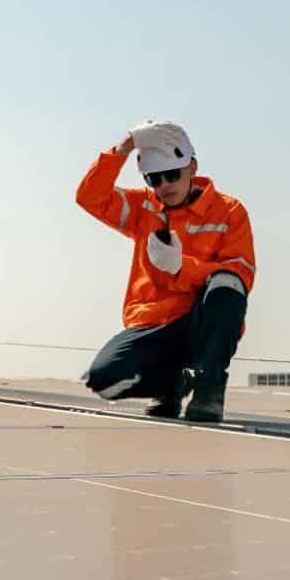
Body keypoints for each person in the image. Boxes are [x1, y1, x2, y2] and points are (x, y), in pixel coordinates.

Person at [73, 121, 255, 422]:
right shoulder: (143, 207)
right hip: (151, 325)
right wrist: (124, 147)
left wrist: (182, 267)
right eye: (154, 179)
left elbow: (240, 277)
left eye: (171, 175)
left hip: (199, 324)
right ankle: (172, 384)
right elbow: (89, 196)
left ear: (192, 167)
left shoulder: (229, 212)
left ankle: (209, 387)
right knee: (102, 380)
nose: (164, 186)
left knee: (228, 283)